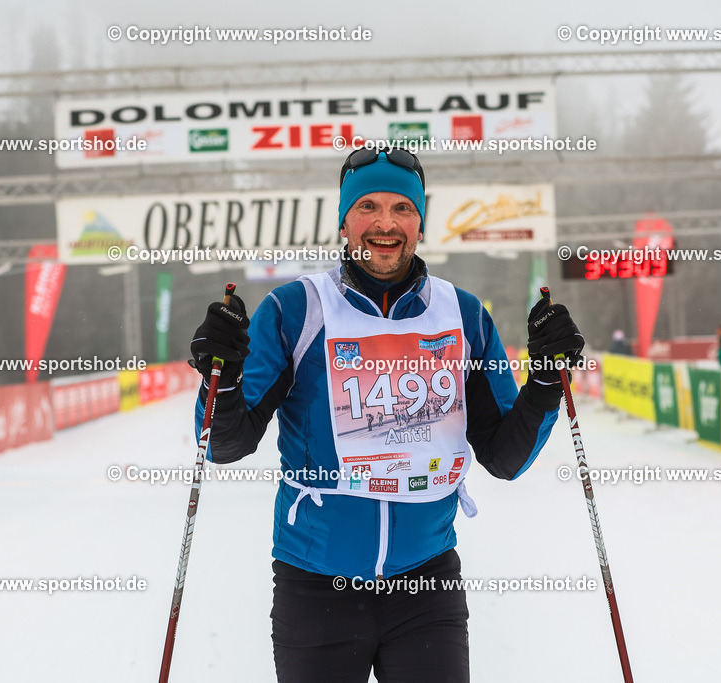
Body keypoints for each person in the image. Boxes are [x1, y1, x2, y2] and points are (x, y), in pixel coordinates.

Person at [190, 148, 585, 683]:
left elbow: (505, 457)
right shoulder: (295, 310)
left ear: (420, 224)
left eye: (402, 208)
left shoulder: (463, 314)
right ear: (344, 222)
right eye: (368, 207)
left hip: (426, 587)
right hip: (316, 585)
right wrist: (223, 376)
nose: (385, 223)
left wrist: (544, 382)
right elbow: (225, 443)